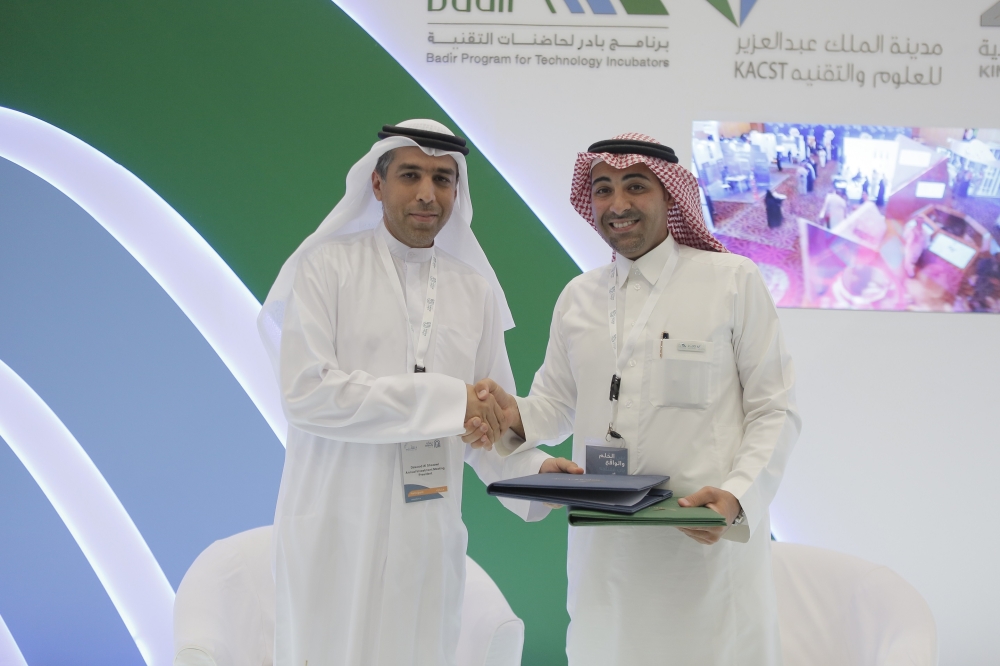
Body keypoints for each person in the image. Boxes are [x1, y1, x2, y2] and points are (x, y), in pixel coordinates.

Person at [257, 119, 576, 666]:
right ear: (378, 184)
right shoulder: (325, 268)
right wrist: (451, 402)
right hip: (336, 520)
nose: (428, 193)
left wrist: (536, 472)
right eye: (411, 175)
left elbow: (485, 427)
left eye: (443, 178)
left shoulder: (474, 291)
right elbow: (308, 394)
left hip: (427, 530)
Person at [484, 134, 800, 665]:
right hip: (607, 558)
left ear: (671, 197)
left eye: (636, 186)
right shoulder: (578, 296)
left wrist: (737, 496)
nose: (618, 204)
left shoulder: (730, 282)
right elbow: (553, 405)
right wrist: (509, 413)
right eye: (603, 189)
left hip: (699, 551)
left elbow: (776, 407)